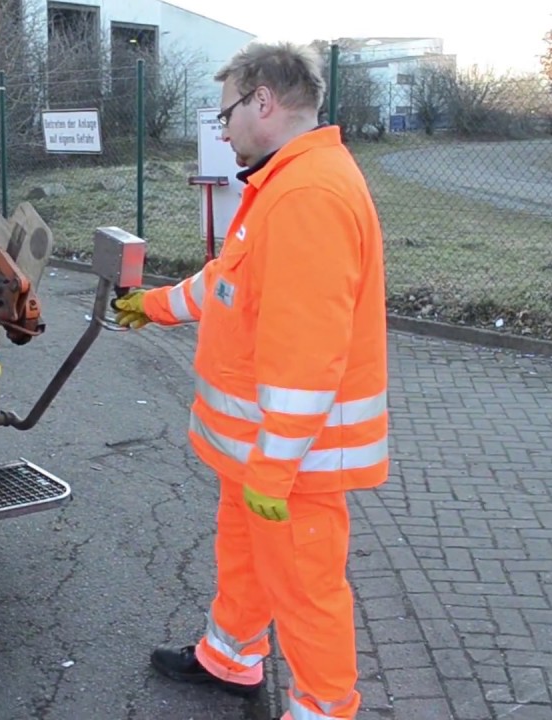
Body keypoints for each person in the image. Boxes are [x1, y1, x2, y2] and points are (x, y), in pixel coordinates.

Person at [112, 40, 390, 720]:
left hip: (288, 461)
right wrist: (154, 305)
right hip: (260, 454)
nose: (223, 126)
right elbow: (229, 282)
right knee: (243, 558)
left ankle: (323, 710)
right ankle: (229, 659)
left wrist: (274, 467)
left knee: (306, 590)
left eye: (226, 111)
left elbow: (307, 352)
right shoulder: (286, 183)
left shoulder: (308, 195)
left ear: (263, 101)